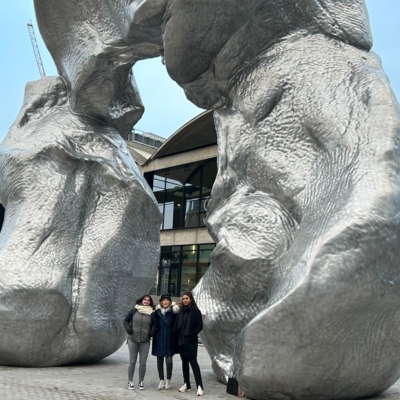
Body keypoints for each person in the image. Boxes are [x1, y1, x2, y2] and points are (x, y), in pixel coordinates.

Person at [174, 291, 204, 396]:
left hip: (190, 340)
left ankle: (200, 386)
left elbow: (200, 325)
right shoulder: (181, 311)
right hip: (181, 340)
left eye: (187, 298)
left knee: (193, 363)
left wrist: (192, 334)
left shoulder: (196, 311)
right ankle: (186, 384)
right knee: (184, 363)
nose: (185, 300)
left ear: (191, 299)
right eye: (183, 298)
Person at [123, 294, 155, 390]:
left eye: (148, 300)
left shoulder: (152, 313)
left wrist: (150, 333)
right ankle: (130, 381)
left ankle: (141, 381)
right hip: (133, 340)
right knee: (132, 361)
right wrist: (129, 329)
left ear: (150, 302)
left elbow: (155, 326)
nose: (146, 301)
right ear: (141, 301)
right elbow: (125, 321)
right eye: (145, 300)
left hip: (145, 341)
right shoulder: (133, 311)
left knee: (143, 362)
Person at [151, 293, 180, 390]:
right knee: (159, 361)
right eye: (163, 300)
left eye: (167, 300)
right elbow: (152, 324)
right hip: (159, 340)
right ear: (161, 302)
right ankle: (161, 380)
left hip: (170, 340)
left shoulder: (173, 312)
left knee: (169, 361)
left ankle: (168, 380)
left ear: (170, 302)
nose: (165, 302)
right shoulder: (157, 313)